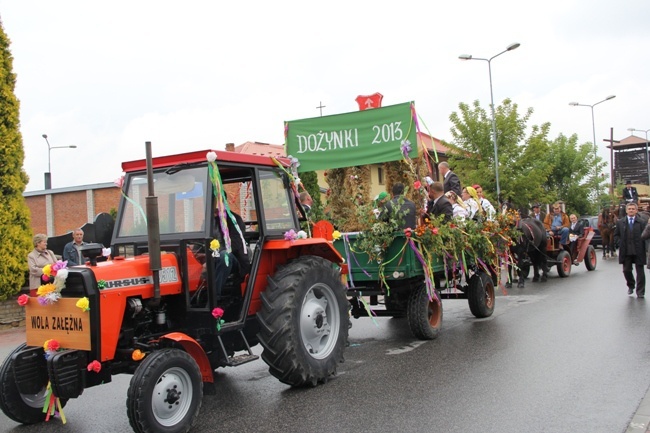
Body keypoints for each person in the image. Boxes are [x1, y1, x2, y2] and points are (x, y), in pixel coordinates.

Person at [213, 206, 251, 298]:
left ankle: (214, 297)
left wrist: (214, 255)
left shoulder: (235, 220)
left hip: (235, 258)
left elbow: (235, 244)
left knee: (224, 256)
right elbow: (202, 241)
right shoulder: (208, 222)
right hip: (213, 255)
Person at [616, 202, 646, 298]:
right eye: (630, 209)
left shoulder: (641, 222)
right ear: (626, 211)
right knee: (626, 270)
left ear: (636, 210)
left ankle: (640, 292)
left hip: (639, 250)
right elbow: (616, 235)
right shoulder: (620, 222)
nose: (631, 210)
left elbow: (646, 235)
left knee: (640, 272)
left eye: (633, 209)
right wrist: (619, 243)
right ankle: (631, 285)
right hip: (626, 251)